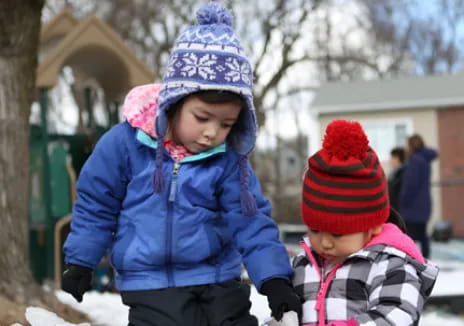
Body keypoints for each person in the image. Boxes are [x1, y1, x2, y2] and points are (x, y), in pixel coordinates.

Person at [61, 3, 301, 325]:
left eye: (227, 124)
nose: (212, 133)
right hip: (151, 283)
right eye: (202, 118)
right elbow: (96, 204)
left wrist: (274, 279)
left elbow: (250, 219)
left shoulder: (228, 161)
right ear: (175, 101)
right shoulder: (124, 145)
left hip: (218, 277)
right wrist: (81, 260)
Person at [292, 120, 438, 326]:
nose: (324, 242)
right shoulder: (304, 263)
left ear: (373, 226)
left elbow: (396, 314)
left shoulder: (390, 265)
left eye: (338, 233)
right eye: (315, 230)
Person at [399, 134, 438, 259]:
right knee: (422, 234)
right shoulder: (425, 160)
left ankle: (414, 259)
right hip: (424, 204)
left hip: (413, 206)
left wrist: (403, 200)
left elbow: (411, 184)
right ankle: (425, 259)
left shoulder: (415, 161)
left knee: (410, 235)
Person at [387, 147, 406, 212]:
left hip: (398, 208)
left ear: (397, 158)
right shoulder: (394, 172)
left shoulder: (402, 173)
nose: (390, 160)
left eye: (391, 157)